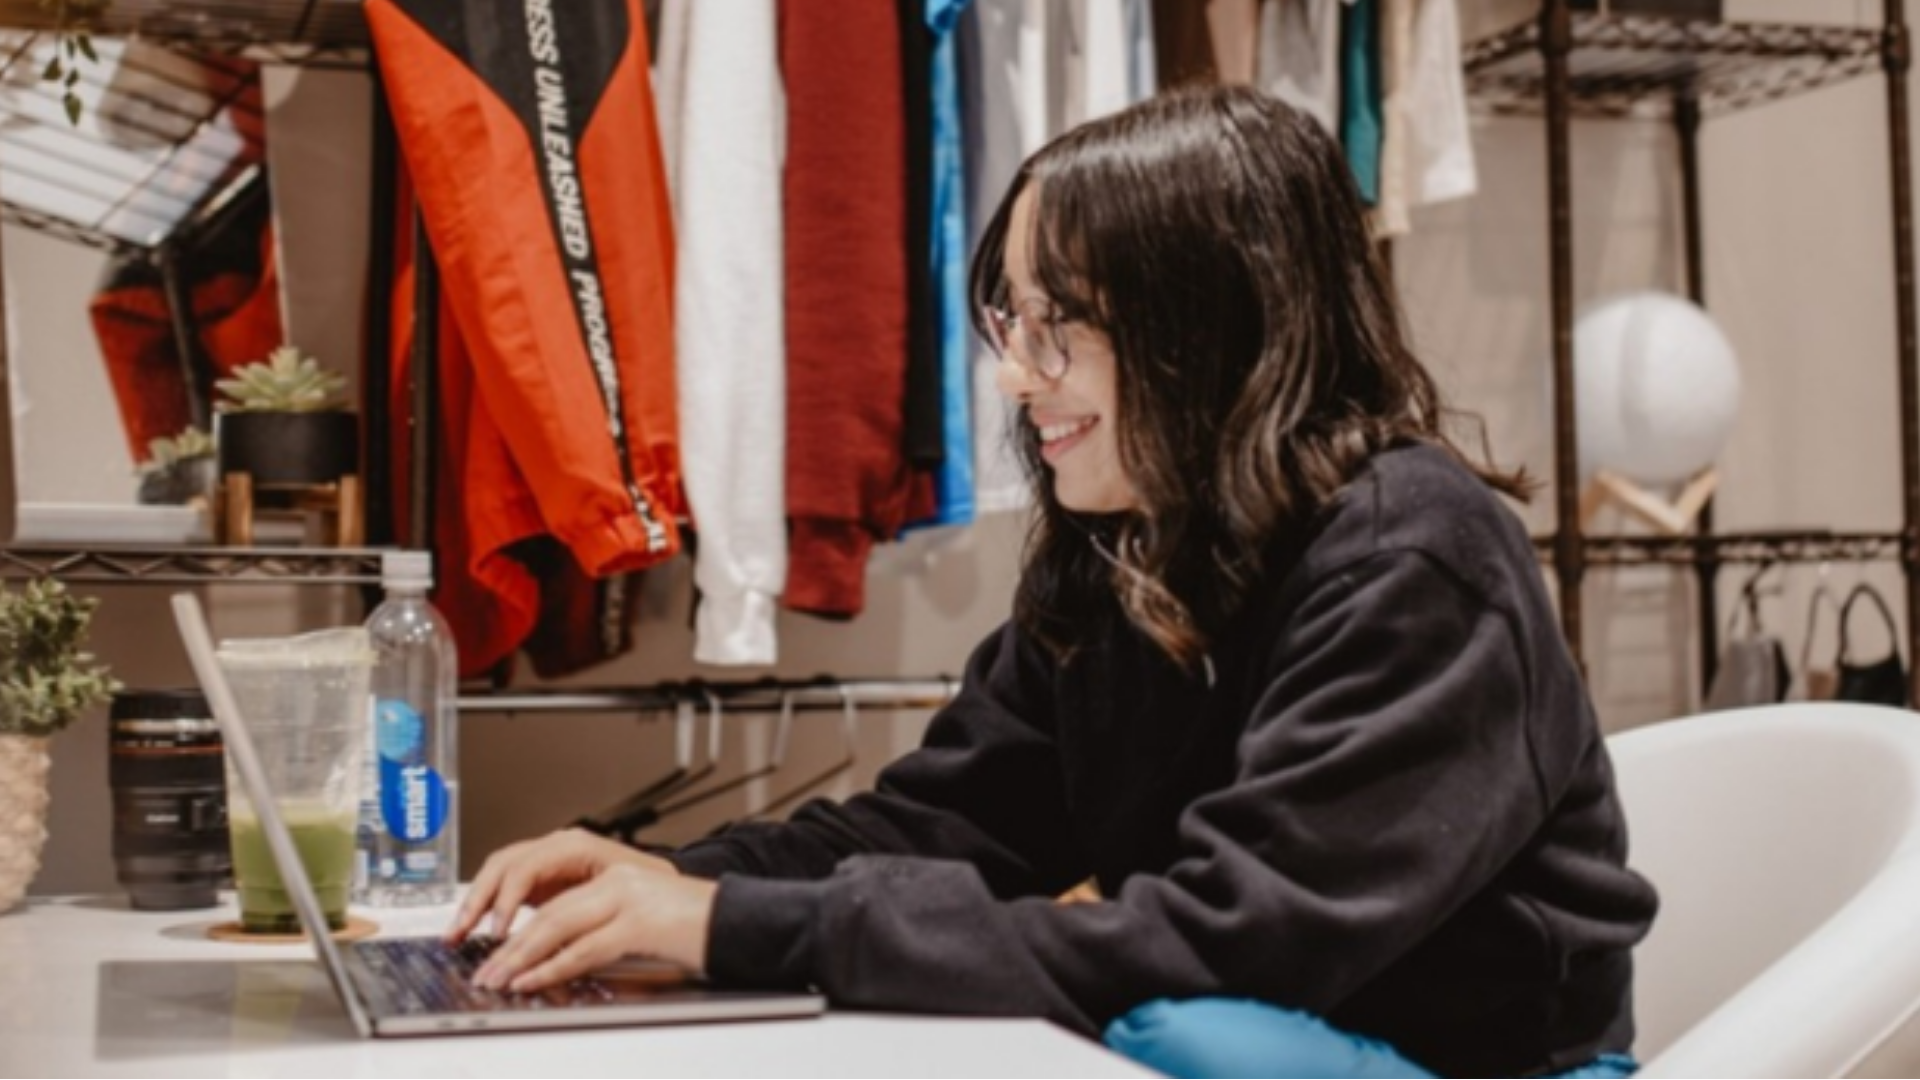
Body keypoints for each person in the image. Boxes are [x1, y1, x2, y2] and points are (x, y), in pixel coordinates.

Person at [447, 84, 1658, 1079]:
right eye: (1010, 323)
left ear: (1210, 325)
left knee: (1163, 1031)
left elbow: (1234, 944)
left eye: (1059, 324)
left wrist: (732, 932)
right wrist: (669, 881)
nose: (1017, 378)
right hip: (1275, 1028)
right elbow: (944, 826)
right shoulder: (1131, 542)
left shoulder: (1416, 558)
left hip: (1486, 1070)